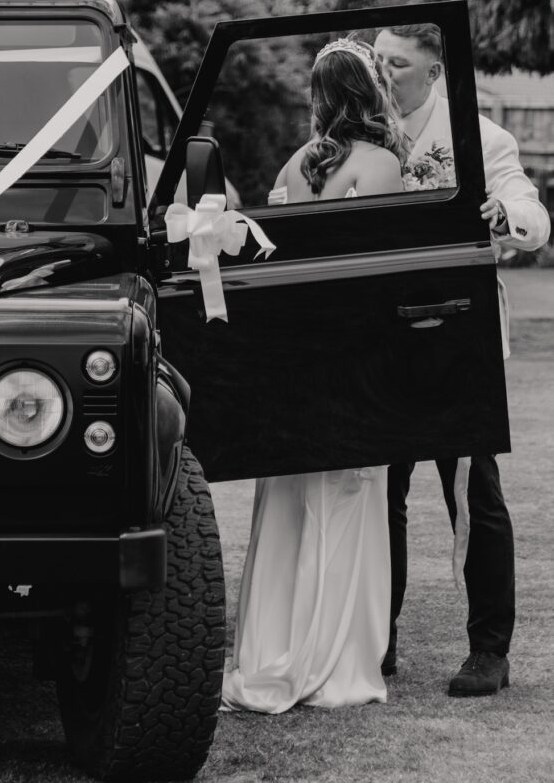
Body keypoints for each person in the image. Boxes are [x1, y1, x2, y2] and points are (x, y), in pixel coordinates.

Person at [221, 38, 406, 713]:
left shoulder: (298, 163)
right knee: (347, 499)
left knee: (294, 498)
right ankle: (335, 666)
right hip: (352, 350)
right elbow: (372, 265)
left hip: (298, 350)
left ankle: (274, 646)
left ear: (320, 98)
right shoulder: (381, 163)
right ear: (371, 92)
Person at [374, 23, 551, 697]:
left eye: (396, 63)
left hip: (458, 336)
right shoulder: (359, 133)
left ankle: (488, 651)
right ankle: (376, 640)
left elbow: (533, 218)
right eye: (377, 60)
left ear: (431, 72)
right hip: (377, 339)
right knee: (378, 494)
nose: (383, 72)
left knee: (472, 493)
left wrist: (502, 209)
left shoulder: (482, 136)